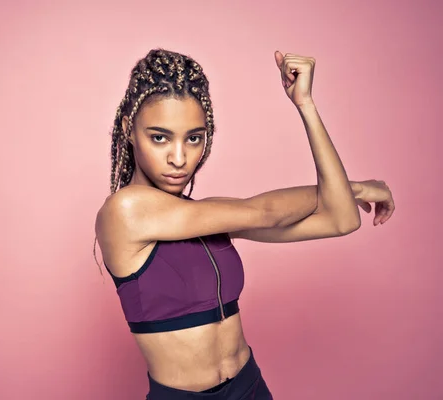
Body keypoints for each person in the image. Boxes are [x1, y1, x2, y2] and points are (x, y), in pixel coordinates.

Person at [94, 48, 395, 399]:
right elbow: (263, 211)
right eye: (159, 137)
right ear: (130, 131)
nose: (179, 158)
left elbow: (341, 218)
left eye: (194, 138)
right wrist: (357, 187)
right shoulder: (124, 211)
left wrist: (306, 105)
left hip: (250, 387)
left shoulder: (204, 220)